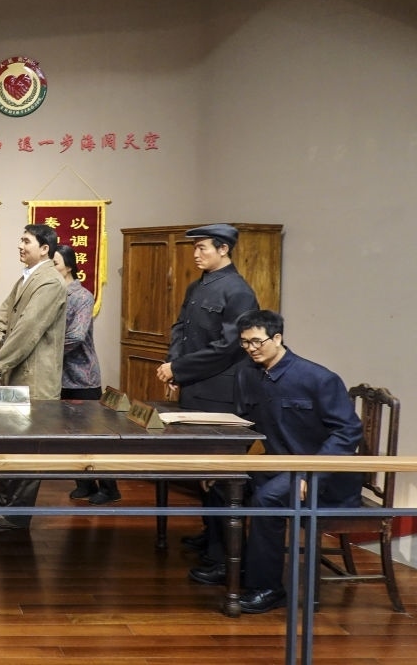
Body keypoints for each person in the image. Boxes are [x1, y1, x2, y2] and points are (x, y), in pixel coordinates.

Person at [230, 309, 363, 613]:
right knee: (225, 486)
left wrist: (309, 472)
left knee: (266, 500)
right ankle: (228, 565)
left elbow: (348, 432)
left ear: (277, 338)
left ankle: (268, 588)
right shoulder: (248, 374)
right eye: (245, 343)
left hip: (323, 476)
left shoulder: (318, 378)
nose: (251, 349)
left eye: (257, 342)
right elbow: (246, 425)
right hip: (277, 466)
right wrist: (227, 463)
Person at [154, 224, 259, 578]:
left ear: (223, 249)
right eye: (195, 248)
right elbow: (180, 330)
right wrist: (173, 365)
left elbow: (228, 347)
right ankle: (211, 533)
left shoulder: (238, 291)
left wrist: (179, 368)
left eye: (202, 248)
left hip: (220, 395)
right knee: (204, 471)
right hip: (196, 388)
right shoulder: (197, 285)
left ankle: (223, 558)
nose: (196, 254)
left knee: (221, 477)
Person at [0, 224, 67, 530]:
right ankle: (4, 501)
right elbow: (2, 314)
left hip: (36, 381)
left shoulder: (50, 282)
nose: (20, 245)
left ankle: (17, 516)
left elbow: (28, 329)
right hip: (19, 377)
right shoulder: (28, 277)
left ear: (44, 249)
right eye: (21, 240)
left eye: (26, 241)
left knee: (31, 450)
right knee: (14, 444)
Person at [53, 244, 119, 505]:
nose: (52, 269)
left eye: (55, 264)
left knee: (92, 435)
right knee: (69, 435)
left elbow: (76, 336)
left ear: (69, 266)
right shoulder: (53, 294)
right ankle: (84, 483)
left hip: (82, 376)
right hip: (59, 376)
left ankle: (110, 488)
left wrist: (46, 352)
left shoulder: (82, 296)